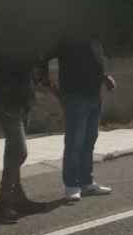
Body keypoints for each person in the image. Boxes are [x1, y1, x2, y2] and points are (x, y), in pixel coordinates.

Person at [47, 34, 117, 202]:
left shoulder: (93, 35)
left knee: (89, 140)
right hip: (75, 95)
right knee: (75, 142)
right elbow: (45, 56)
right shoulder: (66, 34)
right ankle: (71, 185)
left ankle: (86, 182)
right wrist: (49, 84)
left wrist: (105, 76)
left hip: (94, 94)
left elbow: (93, 60)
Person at [0, 50, 50, 223]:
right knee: (19, 151)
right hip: (6, 100)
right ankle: (3, 202)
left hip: (23, 98)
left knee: (12, 151)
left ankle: (18, 198)